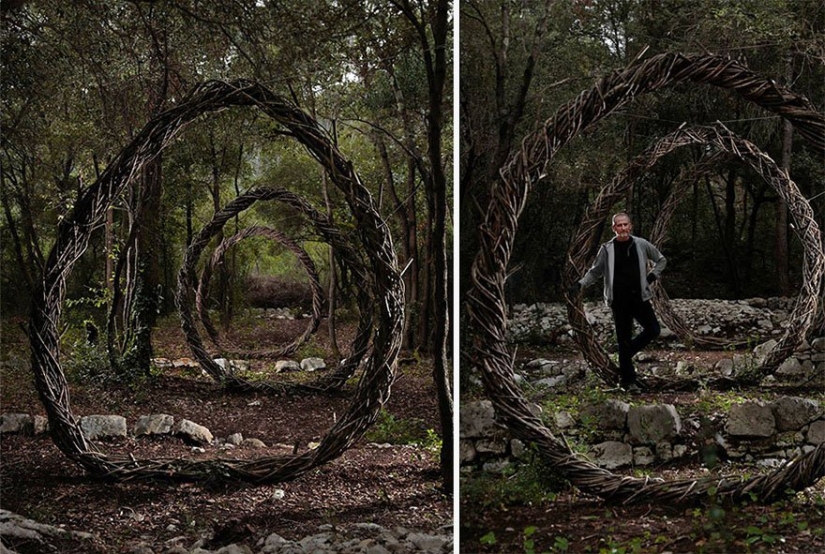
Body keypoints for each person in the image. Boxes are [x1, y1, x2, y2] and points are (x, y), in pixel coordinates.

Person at [568, 212, 667, 393]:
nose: (622, 228)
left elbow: (661, 260)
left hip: (639, 297)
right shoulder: (607, 249)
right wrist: (580, 285)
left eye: (625, 225)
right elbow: (595, 271)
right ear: (613, 228)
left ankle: (626, 355)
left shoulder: (641, 244)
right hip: (619, 300)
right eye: (619, 225)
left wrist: (652, 276)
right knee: (623, 339)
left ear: (630, 226)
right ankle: (629, 382)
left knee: (653, 329)